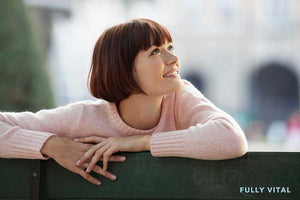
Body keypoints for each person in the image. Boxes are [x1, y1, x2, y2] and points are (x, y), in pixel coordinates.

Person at [0, 18, 248, 185]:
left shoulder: (181, 97)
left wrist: (140, 142)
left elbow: (231, 138)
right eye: (155, 52)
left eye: (170, 47)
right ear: (123, 70)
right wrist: (52, 145)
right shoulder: (82, 118)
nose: (173, 59)